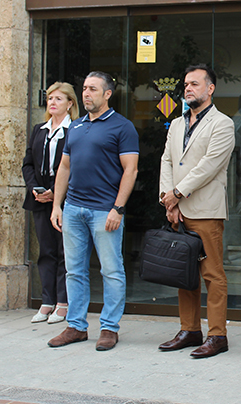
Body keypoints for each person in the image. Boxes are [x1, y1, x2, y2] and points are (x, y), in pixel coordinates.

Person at [47, 72, 139, 351]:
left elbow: (131, 170)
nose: (86, 94)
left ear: (107, 94)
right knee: (74, 271)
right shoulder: (75, 126)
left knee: (111, 271)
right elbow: (65, 167)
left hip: (104, 211)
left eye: (93, 89)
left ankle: (109, 328)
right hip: (73, 208)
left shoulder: (122, 127)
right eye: (85, 89)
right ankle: (75, 326)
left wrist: (118, 208)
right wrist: (57, 205)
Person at [158, 64, 235, 358]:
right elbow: (167, 160)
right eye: (186, 84)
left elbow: (209, 166)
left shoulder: (222, 123)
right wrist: (167, 199)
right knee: (184, 273)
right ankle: (189, 330)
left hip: (206, 211)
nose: (188, 88)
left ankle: (217, 335)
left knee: (212, 275)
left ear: (210, 89)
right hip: (177, 210)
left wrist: (177, 194)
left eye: (194, 84)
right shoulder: (177, 124)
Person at [22, 82, 79, 324]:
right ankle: (47, 301)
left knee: (64, 252)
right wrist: (35, 188)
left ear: (70, 103)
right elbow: (27, 163)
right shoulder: (39, 130)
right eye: (49, 98)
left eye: (58, 98)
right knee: (45, 251)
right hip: (40, 198)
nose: (52, 102)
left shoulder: (75, 129)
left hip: (65, 199)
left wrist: (56, 192)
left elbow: (75, 166)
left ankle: (63, 303)